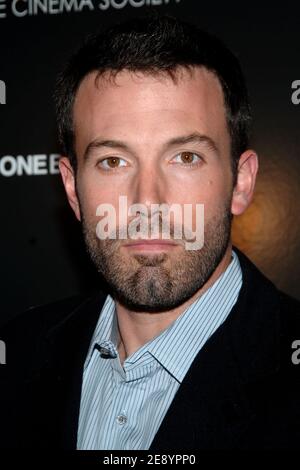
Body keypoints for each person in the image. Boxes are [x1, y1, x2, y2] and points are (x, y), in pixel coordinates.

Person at [1, 14, 300, 451]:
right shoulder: (17, 354)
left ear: (241, 182)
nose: (147, 201)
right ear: (72, 189)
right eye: (113, 162)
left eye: (185, 157)